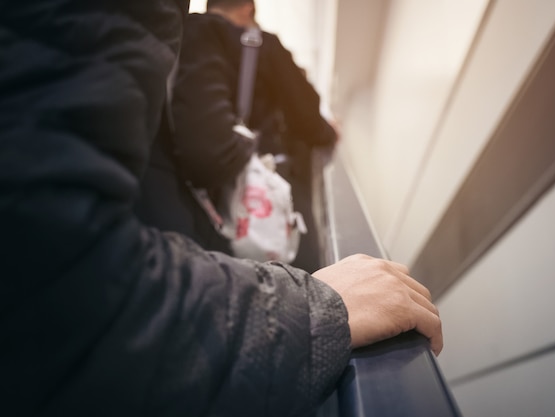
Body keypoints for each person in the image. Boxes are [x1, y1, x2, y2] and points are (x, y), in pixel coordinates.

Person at [0, 1, 443, 416]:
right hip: (218, 255)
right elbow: (65, 291)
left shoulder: (165, 42)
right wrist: (316, 308)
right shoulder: (248, 43)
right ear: (249, 10)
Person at [136, 0, 338, 271]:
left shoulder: (175, 37)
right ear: (248, 9)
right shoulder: (263, 44)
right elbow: (308, 117)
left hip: (179, 211)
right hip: (258, 198)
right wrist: (330, 132)